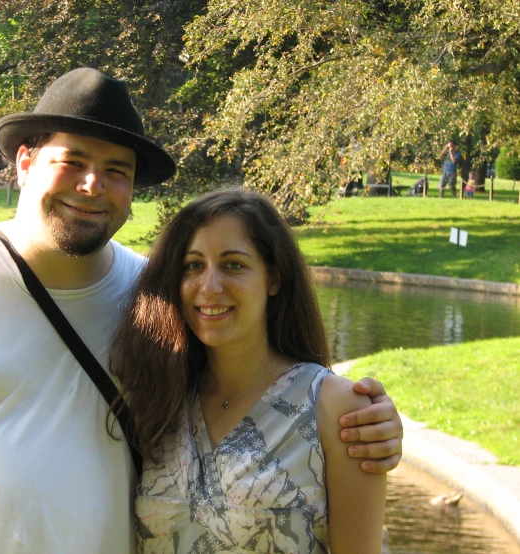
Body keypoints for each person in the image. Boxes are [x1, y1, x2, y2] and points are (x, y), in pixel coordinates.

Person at [0, 68, 401, 554]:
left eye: (116, 171)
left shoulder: (156, 298)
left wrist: (364, 424)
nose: (92, 184)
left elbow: (251, 390)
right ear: (25, 163)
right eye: (71, 161)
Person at [110, 188, 387, 553]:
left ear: (273, 278)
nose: (209, 287)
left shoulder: (338, 409)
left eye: (233, 265)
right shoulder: (160, 401)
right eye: (193, 265)